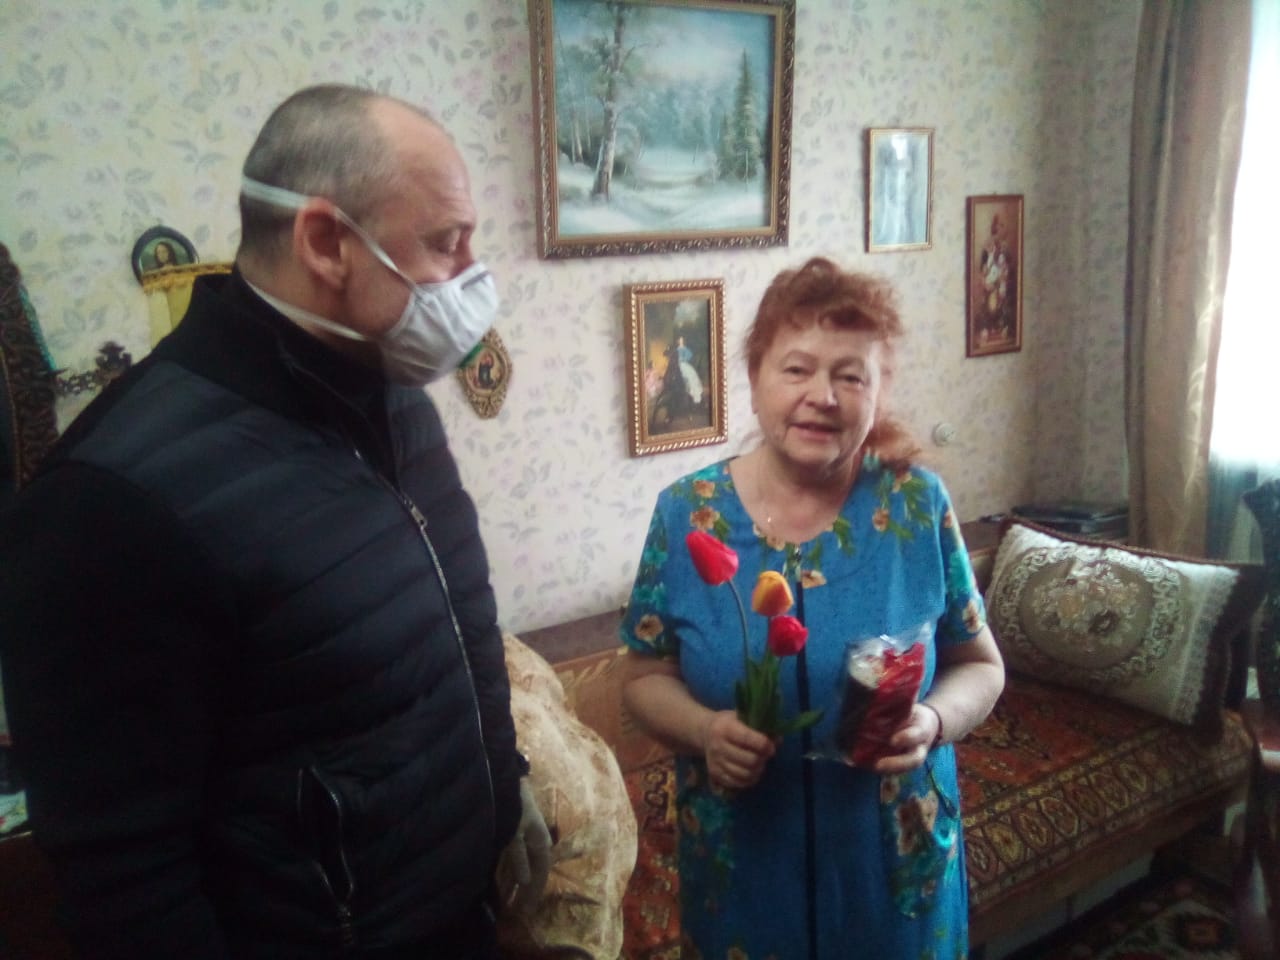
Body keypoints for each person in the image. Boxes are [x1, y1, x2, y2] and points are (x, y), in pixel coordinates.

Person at [0, 84, 549, 960]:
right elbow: (126, 877)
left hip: (456, 920)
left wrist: (502, 786)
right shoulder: (110, 501)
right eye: (446, 242)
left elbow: (463, 622)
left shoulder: (391, 393)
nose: (472, 274)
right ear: (326, 242)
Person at [619, 256, 1005, 959]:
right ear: (755, 377)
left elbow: (980, 664)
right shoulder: (687, 515)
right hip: (742, 871)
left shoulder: (917, 506)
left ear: (878, 391)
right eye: (796, 369)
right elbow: (643, 675)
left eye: (850, 376)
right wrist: (705, 730)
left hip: (892, 871)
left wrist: (933, 720)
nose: (821, 396)